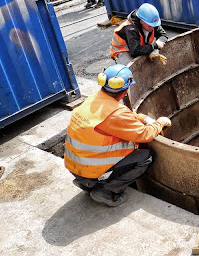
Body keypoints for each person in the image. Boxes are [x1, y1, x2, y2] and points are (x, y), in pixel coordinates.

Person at [64, 64, 172, 207]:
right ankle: (106, 191)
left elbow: (123, 115)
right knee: (146, 157)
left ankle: (88, 183)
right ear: (125, 90)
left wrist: (143, 118)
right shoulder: (115, 114)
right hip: (90, 172)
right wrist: (160, 123)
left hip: (76, 169)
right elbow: (144, 134)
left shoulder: (94, 99)